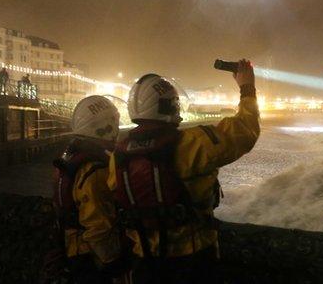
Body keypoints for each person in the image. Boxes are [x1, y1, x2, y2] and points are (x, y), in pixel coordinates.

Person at [108, 59, 260, 283]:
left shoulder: (118, 156)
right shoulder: (194, 143)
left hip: (144, 261)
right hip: (194, 259)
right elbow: (246, 131)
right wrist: (247, 88)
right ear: (172, 105)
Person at [43, 95, 124, 284]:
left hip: (70, 246)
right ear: (105, 127)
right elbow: (98, 228)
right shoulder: (95, 171)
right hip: (88, 257)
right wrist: (115, 265)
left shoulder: (71, 158)